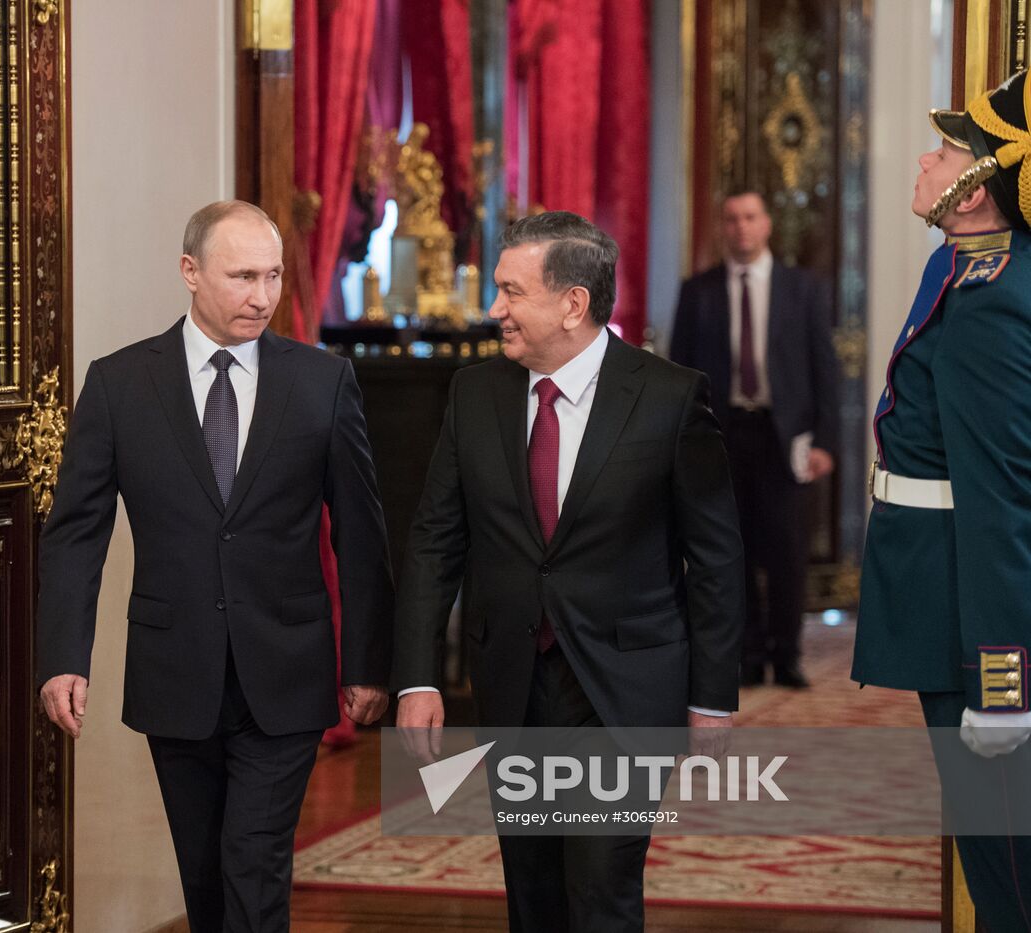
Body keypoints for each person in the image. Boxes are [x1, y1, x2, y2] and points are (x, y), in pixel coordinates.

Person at [34, 200, 395, 933]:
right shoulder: (119, 385)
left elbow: (362, 534)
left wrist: (368, 660)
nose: (261, 296)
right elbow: (76, 532)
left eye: (271, 275)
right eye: (241, 276)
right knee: (204, 877)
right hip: (176, 671)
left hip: (287, 672)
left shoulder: (323, 381)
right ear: (190, 272)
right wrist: (63, 657)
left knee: (252, 865)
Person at [393, 211, 745, 933]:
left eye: (510, 292)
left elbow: (714, 556)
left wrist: (712, 695)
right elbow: (435, 542)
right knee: (534, 891)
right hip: (514, 681)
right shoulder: (474, 393)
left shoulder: (671, 397)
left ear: (572, 303)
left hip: (624, 688)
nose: (495, 310)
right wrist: (419, 675)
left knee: (601, 886)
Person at [854, 71, 1031, 930]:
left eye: (950, 149)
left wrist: (1005, 685)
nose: (929, 157)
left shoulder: (994, 300)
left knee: (1007, 867)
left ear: (980, 187)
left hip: (971, 609)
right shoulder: (961, 267)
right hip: (935, 584)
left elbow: (1001, 506)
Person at [669, 190, 839, 688]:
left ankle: (786, 655)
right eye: (731, 219)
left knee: (787, 550)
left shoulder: (803, 289)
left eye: (750, 218)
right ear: (723, 228)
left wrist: (826, 441)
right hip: (721, 436)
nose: (741, 228)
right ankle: (744, 653)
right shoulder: (697, 290)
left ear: (767, 224)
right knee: (728, 550)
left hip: (784, 435)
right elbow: (680, 372)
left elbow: (825, 370)